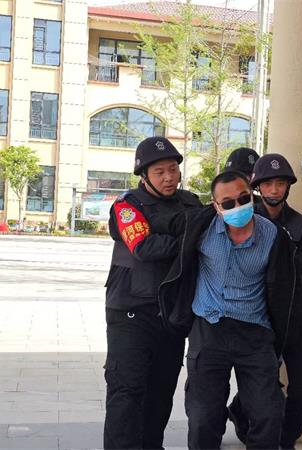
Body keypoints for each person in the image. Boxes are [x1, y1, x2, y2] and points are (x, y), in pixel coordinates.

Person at [152, 170, 297, 450]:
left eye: (243, 198)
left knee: (268, 415)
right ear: (216, 207)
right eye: (228, 203)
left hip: (255, 333)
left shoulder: (273, 236)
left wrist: (283, 339)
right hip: (209, 330)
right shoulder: (200, 225)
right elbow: (159, 221)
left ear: (252, 196)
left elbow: (283, 290)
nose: (237, 207)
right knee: (203, 418)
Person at [103, 136, 202, 449]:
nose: (169, 177)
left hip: (171, 314)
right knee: (126, 391)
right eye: (160, 172)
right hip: (130, 313)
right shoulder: (127, 206)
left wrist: (175, 233)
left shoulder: (191, 203)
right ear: (144, 175)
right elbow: (145, 247)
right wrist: (187, 239)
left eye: (173, 169)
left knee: (160, 393)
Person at [228, 153, 302, 450]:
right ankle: (245, 422)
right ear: (257, 187)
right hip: (258, 317)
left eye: (280, 183)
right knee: (262, 388)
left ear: (288, 186)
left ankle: (287, 440)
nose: (275, 190)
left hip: (294, 318)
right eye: (268, 184)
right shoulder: (245, 220)